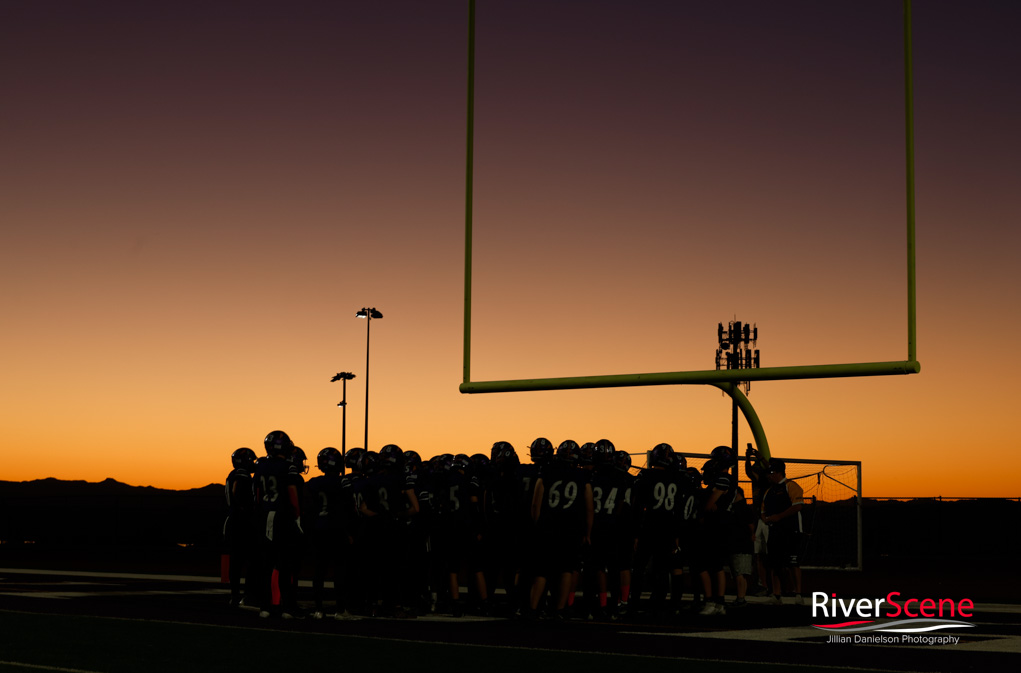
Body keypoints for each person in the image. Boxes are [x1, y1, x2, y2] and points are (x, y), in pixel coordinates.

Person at [528, 440, 594, 620]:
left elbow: (536, 503)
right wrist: (587, 533)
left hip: (548, 526)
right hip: (571, 528)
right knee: (567, 569)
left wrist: (538, 524)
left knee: (542, 570)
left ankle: (533, 608)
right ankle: (559, 609)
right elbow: (589, 507)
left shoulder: (547, 471)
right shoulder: (582, 476)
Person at [253, 430, 305, 619]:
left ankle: (265, 607)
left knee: (266, 565)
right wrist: (297, 517)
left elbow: (258, 495)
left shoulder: (261, 466)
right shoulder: (288, 467)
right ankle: (287, 608)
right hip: (282, 518)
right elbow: (292, 494)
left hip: (265, 516)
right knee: (285, 564)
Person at [761, 458, 805, 605]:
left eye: (771, 472)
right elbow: (762, 511)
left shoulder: (791, 486)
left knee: (793, 563)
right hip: (774, 532)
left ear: (779, 472)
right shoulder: (769, 491)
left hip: (791, 530)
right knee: (774, 564)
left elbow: (798, 506)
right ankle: (776, 594)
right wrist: (766, 519)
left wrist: (779, 517)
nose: (769, 476)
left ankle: (798, 594)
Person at [224, 447, 256, 608]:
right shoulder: (241, 474)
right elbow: (236, 490)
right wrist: (244, 509)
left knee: (236, 561)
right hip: (240, 521)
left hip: (233, 519)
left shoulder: (233, 473)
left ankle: (235, 595)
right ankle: (245, 594)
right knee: (250, 560)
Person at [744, 444, 772, 595]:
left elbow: (770, 468)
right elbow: (748, 470)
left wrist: (759, 457)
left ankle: (772, 585)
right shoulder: (756, 480)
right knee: (758, 554)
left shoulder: (767, 481)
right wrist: (748, 457)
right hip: (758, 518)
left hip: (766, 518)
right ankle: (763, 585)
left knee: (768, 554)